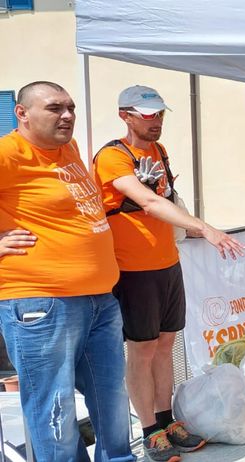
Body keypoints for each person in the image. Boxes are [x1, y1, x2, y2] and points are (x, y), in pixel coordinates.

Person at [93, 85, 245, 460]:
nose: (156, 121)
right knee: (142, 350)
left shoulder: (159, 151)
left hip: (167, 263)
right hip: (133, 270)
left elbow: (166, 199)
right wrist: (205, 229)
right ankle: (149, 430)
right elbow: (147, 200)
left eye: (160, 113)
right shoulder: (113, 156)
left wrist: (191, 229)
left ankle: (166, 420)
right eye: (148, 115)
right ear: (125, 115)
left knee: (165, 346)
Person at [0, 81, 135, 461]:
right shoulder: (8, 153)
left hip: (99, 300)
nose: (67, 115)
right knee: (54, 410)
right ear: (22, 113)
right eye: (54, 108)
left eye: (71, 107)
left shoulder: (68, 148)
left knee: (112, 398)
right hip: (41, 302)